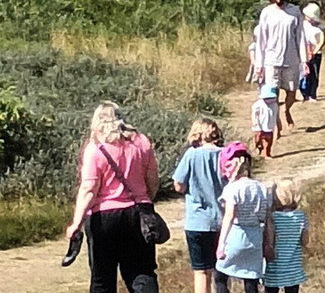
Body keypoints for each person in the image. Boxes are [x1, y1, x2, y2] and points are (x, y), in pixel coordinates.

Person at [66, 102, 160, 293]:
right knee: (142, 273)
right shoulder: (141, 142)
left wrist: (77, 222)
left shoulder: (95, 148)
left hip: (104, 218)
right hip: (138, 214)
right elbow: (153, 180)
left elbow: (89, 188)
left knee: (103, 278)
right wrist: (145, 201)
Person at [172, 118, 228, 293]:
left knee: (201, 271)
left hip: (197, 220)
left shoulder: (191, 154)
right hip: (222, 219)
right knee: (221, 270)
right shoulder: (225, 154)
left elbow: (179, 185)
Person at [253, 0, 306, 135]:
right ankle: (276, 124)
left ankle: (287, 110)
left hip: (291, 59)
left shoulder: (294, 11)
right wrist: (259, 64)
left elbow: (300, 36)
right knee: (272, 93)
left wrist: (304, 61)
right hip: (271, 60)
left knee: (291, 91)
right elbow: (261, 40)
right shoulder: (267, 13)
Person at [215, 142, 270, 293]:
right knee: (251, 277)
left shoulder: (232, 189)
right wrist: (268, 242)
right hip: (255, 236)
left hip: (236, 235)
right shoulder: (261, 188)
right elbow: (267, 217)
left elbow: (229, 216)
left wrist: (221, 244)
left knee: (221, 275)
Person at [262, 180, 310, 293]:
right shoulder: (301, 216)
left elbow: (269, 239)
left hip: (274, 266)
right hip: (293, 267)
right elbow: (305, 241)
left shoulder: (272, 217)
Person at [298, 3, 325, 102]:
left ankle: (312, 94)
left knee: (314, 74)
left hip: (315, 54)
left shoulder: (319, 27)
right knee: (304, 74)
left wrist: (315, 51)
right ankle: (305, 94)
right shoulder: (303, 25)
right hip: (304, 53)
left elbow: (321, 41)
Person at [251, 83, 280, 157]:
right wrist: (254, 122)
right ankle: (258, 145)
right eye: (267, 98)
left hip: (269, 126)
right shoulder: (258, 104)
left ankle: (267, 153)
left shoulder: (275, 105)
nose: (270, 100)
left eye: (271, 98)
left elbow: (276, 115)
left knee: (269, 140)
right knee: (258, 137)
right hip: (259, 126)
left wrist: (278, 123)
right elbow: (254, 113)